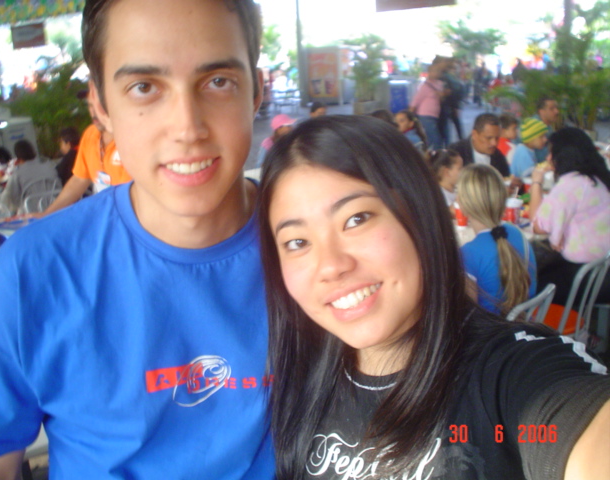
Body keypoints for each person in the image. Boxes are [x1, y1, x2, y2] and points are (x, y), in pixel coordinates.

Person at [0, 1, 274, 479]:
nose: (187, 129)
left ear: (256, 91)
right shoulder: (35, 271)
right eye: (144, 87)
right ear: (100, 107)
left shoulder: (321, 250)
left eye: (218, 81)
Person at [257, 115, 610, 480]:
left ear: (421, 213)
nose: (331, 266)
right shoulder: (298, 373)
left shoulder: (511, 377)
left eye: (357, 218)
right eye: (297, 242)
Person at [529, 127, 610, 306]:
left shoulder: (570, 185)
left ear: (564, 155)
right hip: (603, 270)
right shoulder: (599, 178)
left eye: (552, 153)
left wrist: (536, 182)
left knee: (530, 282)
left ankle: (544, 322)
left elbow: (537, 226)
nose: (548, 158)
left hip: (584, 278)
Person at [38, 88, 131, 217]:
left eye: (100, 104)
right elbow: (79, 180)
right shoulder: (90, 134)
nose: (94, 112)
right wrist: (47, 215)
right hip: (105, 215)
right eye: (90, 105)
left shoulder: (132, 136)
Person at [457, 163, 537, 315]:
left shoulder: (468, 254)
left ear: (463, 205)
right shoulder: (517, 233)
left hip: (493, 329)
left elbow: (466, 316)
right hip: (525, 324)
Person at [0, 139, 59, 215]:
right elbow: (59, 188)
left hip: (31, 214)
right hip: (55, 210)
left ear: (17, 157)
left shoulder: (18, 174)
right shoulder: (50, 167)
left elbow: (7, 202)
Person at [449, 113, 512, 179]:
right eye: (489, 138)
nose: (494, 143)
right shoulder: (455, 152)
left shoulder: (499, 158)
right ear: (474, 134)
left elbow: (505, 178)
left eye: (497, 138)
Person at [410, 61, 445, 150]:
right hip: (425, 115)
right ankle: (435, 155)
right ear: (429, 72)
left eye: (438, 71)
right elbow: (416, 100)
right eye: (434, 71)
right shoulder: (425, 86)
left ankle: (431, 153)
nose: (437, 73)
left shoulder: (439, 84)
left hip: (435, 115)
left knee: (432, 138)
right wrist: (409, 113)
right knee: (434, 138)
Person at [533, 96, 559, 163]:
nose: (556, 111)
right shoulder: (533, 127)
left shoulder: (548, 127)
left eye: (556, 108)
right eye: (551, 109)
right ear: (541, 111)